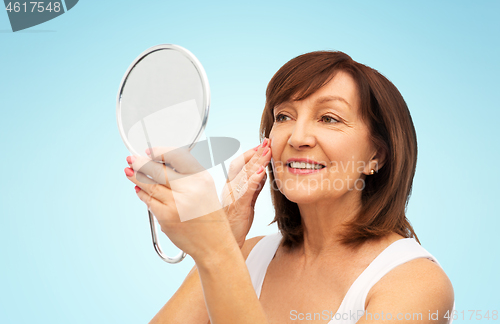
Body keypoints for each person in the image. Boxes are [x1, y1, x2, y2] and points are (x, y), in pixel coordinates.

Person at [124, 50, 455, 324]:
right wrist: (225, 235)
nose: (297, 138)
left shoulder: (416, 284)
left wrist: (216, 250)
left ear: (377, 156)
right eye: (283, 116)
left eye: (329, 118)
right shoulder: (248, 254)